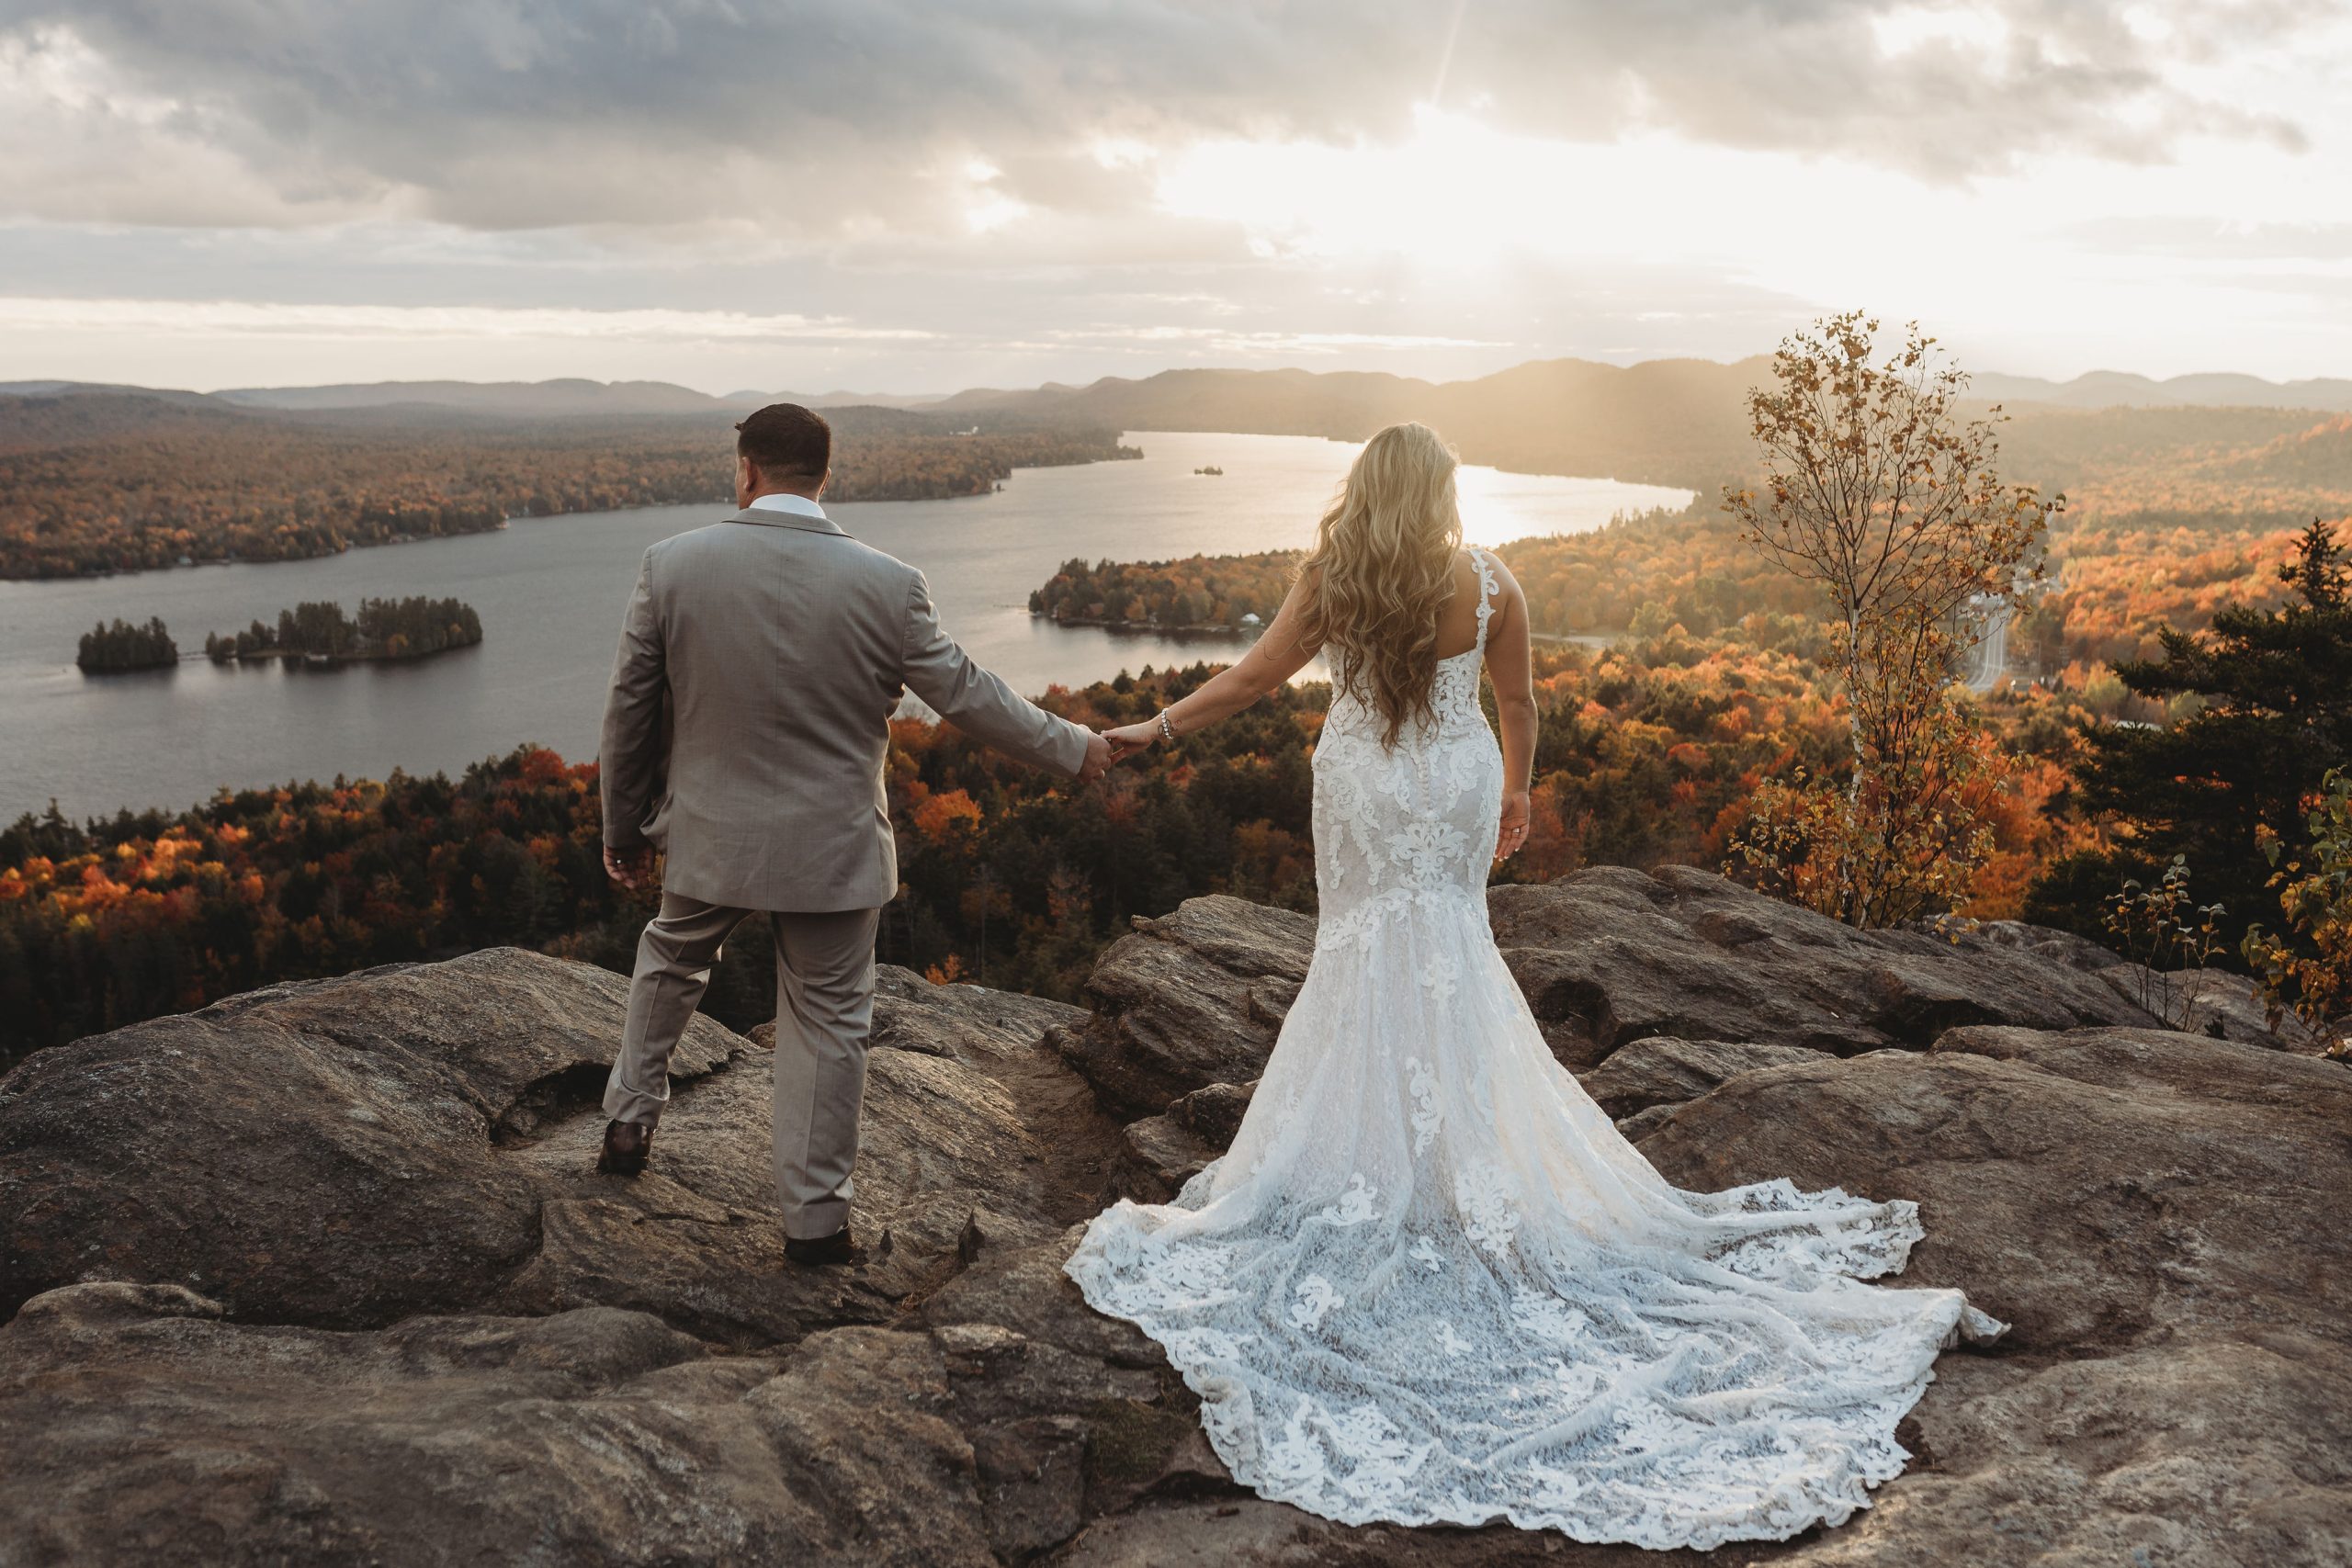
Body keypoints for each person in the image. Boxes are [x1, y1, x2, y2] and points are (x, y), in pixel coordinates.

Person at [1072, 422, 2002, 1549]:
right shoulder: (1490, 580)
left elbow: (1260, 676)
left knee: (1364, 946)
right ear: (1444, 493)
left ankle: (1372, 1160)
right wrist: (1514, 793)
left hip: (1365, 778)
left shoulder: (1334, 574)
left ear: (1366, 491)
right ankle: (1462, 1162)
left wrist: (1156, 724)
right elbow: (1518, 709)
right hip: (1450, 779)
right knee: (1452, 946)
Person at [596, 401, 1114, 1266]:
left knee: (670, 960)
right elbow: (969, 695)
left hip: (708, 839)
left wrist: (624, 828)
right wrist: (1078, 748)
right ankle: (814, 1225)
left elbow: (630, 712)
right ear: (824, 476)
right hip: (833, 852)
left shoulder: (672, 565)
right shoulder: (887, 583)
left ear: (748, 472)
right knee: (830, 1025)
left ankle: (625, 1125)